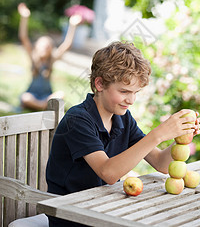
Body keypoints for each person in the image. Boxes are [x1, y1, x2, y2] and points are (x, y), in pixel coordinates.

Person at [46, 41, 199, 227]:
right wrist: (158, 134)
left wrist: (180, 136)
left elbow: (161, 163)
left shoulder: (123, 119)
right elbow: (108, 172)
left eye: (136, 92)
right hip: (71, 215)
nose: (131, 100)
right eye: (124, 91)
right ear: (100, 83)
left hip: (105, 208)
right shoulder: (78, 120)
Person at [18, 3, 82, 110]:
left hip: (46, 97)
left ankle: (41, 105)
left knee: (61, 94)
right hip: (32, 95)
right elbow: (23, 37)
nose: (44, 49)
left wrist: (72, 25)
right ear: (36, 47)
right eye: (42, 46)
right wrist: (24, 18)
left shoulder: (51, 60)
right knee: (25, 97)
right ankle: (43, 106)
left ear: (51, 50)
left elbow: (67, 45)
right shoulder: (34, 58)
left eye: (47, 47)